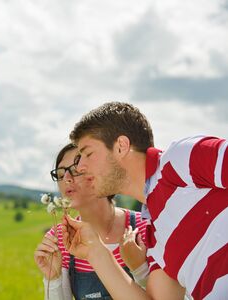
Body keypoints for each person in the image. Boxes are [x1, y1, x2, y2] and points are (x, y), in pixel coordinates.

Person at [62, 101, 227, 300]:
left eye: (88, 154)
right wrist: (95, 251)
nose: (80, 167)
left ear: (121, 147)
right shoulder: (154, 236)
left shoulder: (179, 160)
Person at [34, 143, 148, 300]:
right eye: (60, 174)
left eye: (75, 170)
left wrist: (140, 269)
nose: (66, 179)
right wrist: (54, 279)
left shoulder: (144, 227)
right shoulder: (62, 237)